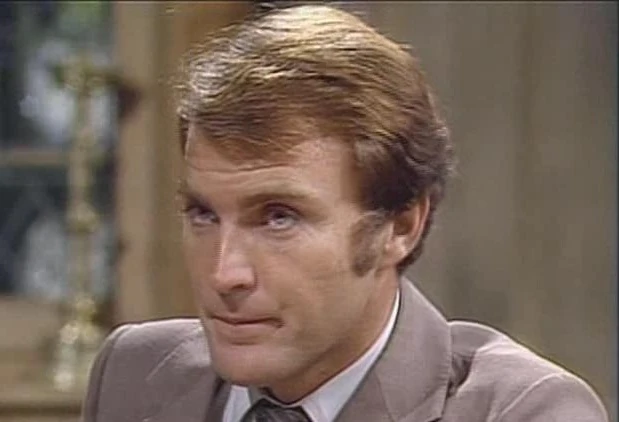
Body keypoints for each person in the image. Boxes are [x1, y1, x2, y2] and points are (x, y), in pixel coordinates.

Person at [81, 4, 609, 422]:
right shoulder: (135, 374)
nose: (224, 274)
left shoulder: (522, 410)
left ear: (401, 225)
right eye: (203, 213)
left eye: (278, 217)